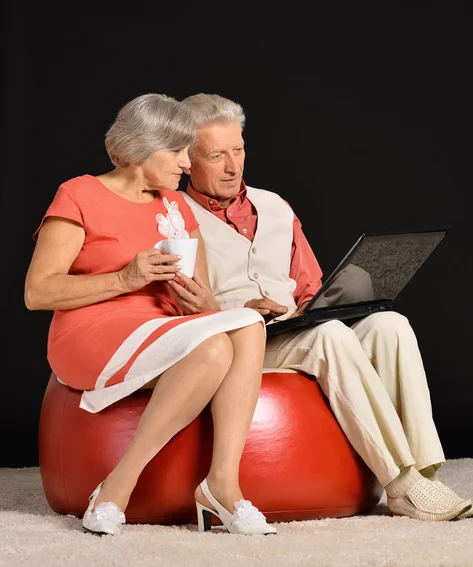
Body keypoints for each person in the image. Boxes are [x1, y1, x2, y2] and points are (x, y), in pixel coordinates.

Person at [179, 92, 473, 522]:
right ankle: (400, 485)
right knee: (328, 335)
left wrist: (335, 300)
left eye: (239, 150)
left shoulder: (275, 206)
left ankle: (426, 473)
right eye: (217, 156)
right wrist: (240, 309)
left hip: (295, 327)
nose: (233, 166)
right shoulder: (175, 217)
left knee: (389, 324)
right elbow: (182, 312)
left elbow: (310, 287)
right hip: (241, 343)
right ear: (187, 158)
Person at [24, 93, 277, 536]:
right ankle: (118, 485)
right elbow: (38, 292)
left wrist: (201, 303)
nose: (186, 163)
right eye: (178, 152)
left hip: (166, 329)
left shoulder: (175, 207)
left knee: (241, 329)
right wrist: (125, 279)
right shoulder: (79, 193)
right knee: (216, 343)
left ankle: (222, 484)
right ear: (144, 148)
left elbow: (201, 302)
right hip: (91, 332)